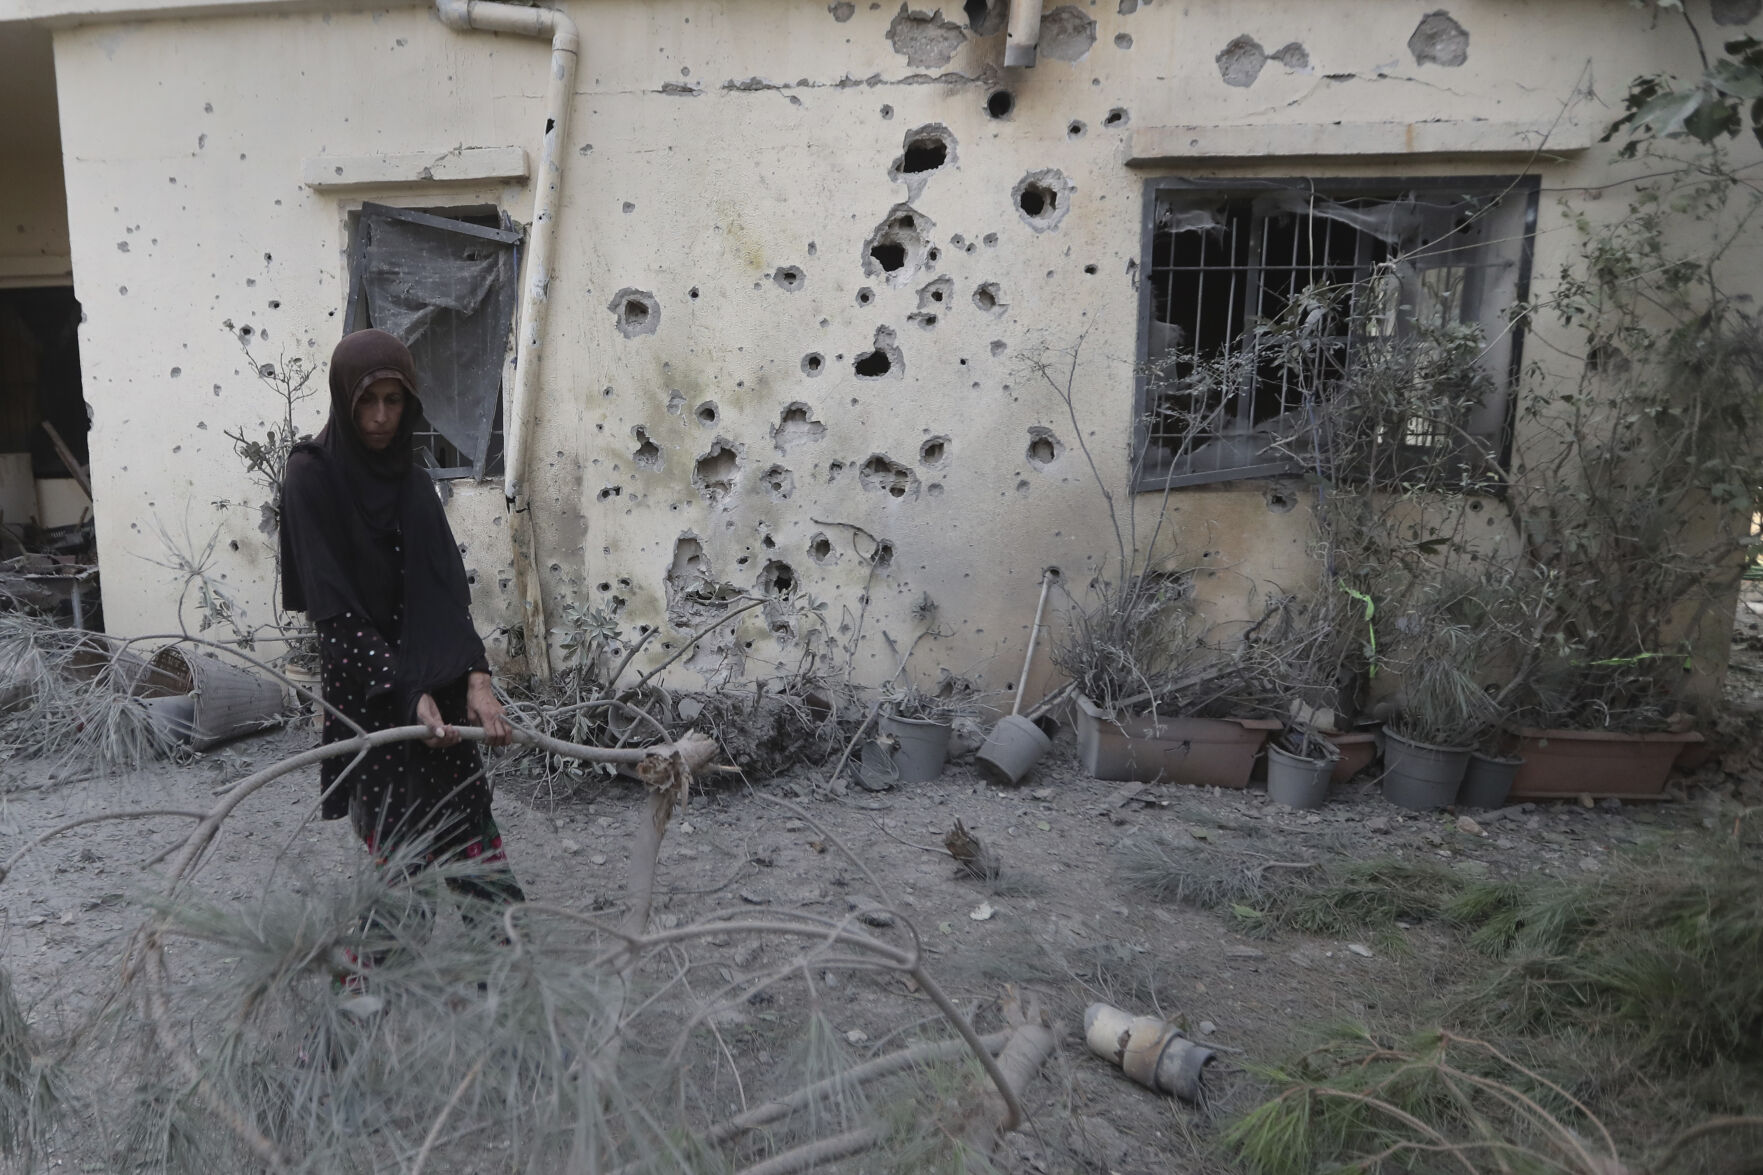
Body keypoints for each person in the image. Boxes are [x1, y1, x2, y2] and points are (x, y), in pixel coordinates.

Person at [279, 328, 525, 918]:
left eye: (394, 401)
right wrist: (402, 692)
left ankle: (509, 986)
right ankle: (367, 1001)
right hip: (370, 690)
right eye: (367, 401)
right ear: (344, 400)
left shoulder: (413, 481)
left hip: (434, 678)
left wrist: (476, 679)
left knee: (474, 845)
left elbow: (445, 595)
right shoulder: (312, 479)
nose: (380, 418)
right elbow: (335, 616)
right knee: (399, 866)